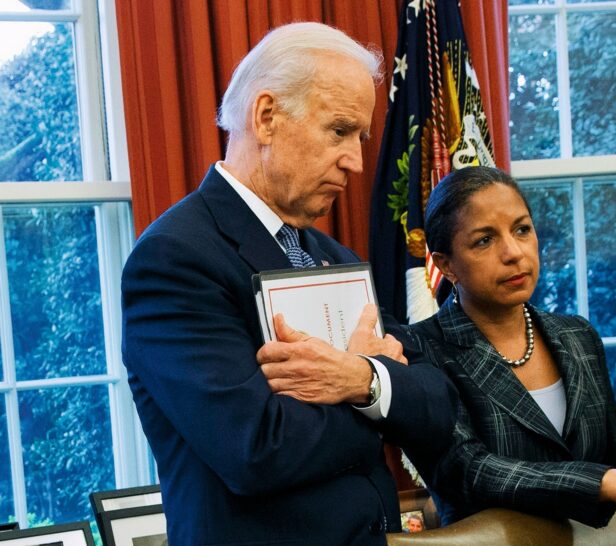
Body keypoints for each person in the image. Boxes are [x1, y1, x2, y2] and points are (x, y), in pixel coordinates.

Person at [121, 22, 457, 546]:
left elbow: (439, 401)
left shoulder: (334, 256)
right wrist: (377, 395)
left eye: (361, 138)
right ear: (266, 117)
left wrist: (361, 378)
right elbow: (256, 449)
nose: (356, 161)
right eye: (340, 131)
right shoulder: (174, 259)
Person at [399, 165, 616, 529]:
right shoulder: (419, 348)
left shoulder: (578, 336)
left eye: (522, 230)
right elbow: (469, 472)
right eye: (485, 240)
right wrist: (603, 483)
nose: (514, 252)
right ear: (446, 266)